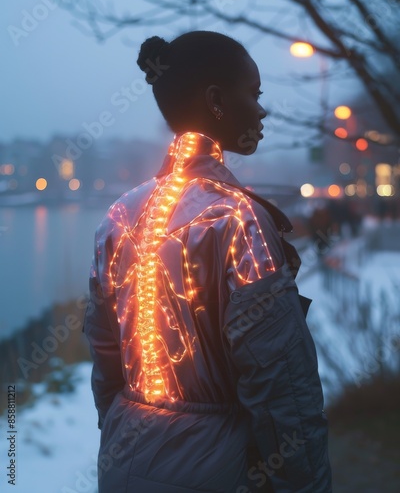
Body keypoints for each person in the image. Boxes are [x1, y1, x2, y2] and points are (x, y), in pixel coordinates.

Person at [84, 31, 332, 492]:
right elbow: (283, 387)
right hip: (222, 468)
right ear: (217, 100)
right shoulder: (237, 218)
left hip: (124, 460)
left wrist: (121, 432)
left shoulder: (119, 216)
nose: (261, 111)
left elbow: (105, 362)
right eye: (253, 94)